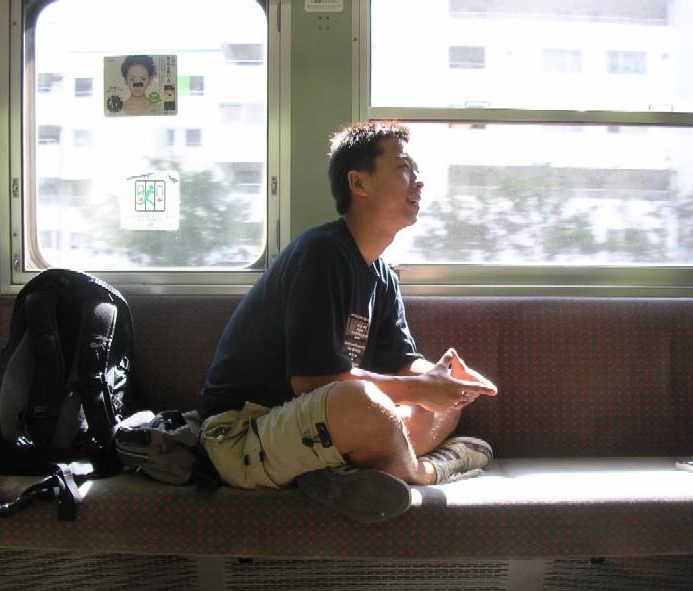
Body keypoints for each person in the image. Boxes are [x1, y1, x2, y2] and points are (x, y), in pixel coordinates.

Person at [198, 121, 497, 522]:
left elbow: (403, 362)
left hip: (316, 431)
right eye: (404, 168)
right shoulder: (320, 254)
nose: (419, 181)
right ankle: (428, 470)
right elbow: (313, 381)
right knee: (362, 402)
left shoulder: (382, 275)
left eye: (416, 170)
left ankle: (344, 473)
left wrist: (443, 379)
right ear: (359, 183)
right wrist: (422, 388)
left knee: (444, 406)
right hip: (243, 434)